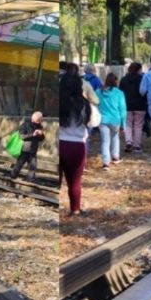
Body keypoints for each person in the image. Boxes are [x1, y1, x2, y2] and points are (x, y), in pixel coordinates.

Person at [59, 73, 93, 216]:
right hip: (76, 145)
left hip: (59, 143)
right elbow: (93, 122)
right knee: (74, 181)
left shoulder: (58, 101)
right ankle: (75, 209)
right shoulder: (84, 104)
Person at [96, 73, 126, 170]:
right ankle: (115, 157)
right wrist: (123, 124)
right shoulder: (119, 93)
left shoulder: (98, 91)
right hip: (115, 119)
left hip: (102, 119)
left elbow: (95, 104)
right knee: (115, 138)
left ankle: (106, 163)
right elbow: (122, 109)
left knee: (105, 141)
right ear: (115, 81)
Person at [119, 62, 147, 153]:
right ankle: (136, 145)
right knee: (138, 125)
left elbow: (120, 92)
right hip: (140, 105)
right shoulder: (142, 79)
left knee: (128, 125)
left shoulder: (124, 79)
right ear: (139, 69)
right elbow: (145, 91)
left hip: (127, 105)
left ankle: (128, 142)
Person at [9, 111, 45, 180]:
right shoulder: (25, 125)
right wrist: (33, 134)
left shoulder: (39, 126)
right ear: (33, 118)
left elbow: (41, 139)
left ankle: (29, 180)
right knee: (18, 165)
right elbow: (22, 136)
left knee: (33, 167)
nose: (38, 122)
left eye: (39, 121)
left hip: (33, 150)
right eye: (37, 121)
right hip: (25, 150)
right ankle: (12, 177)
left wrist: (41, 135)